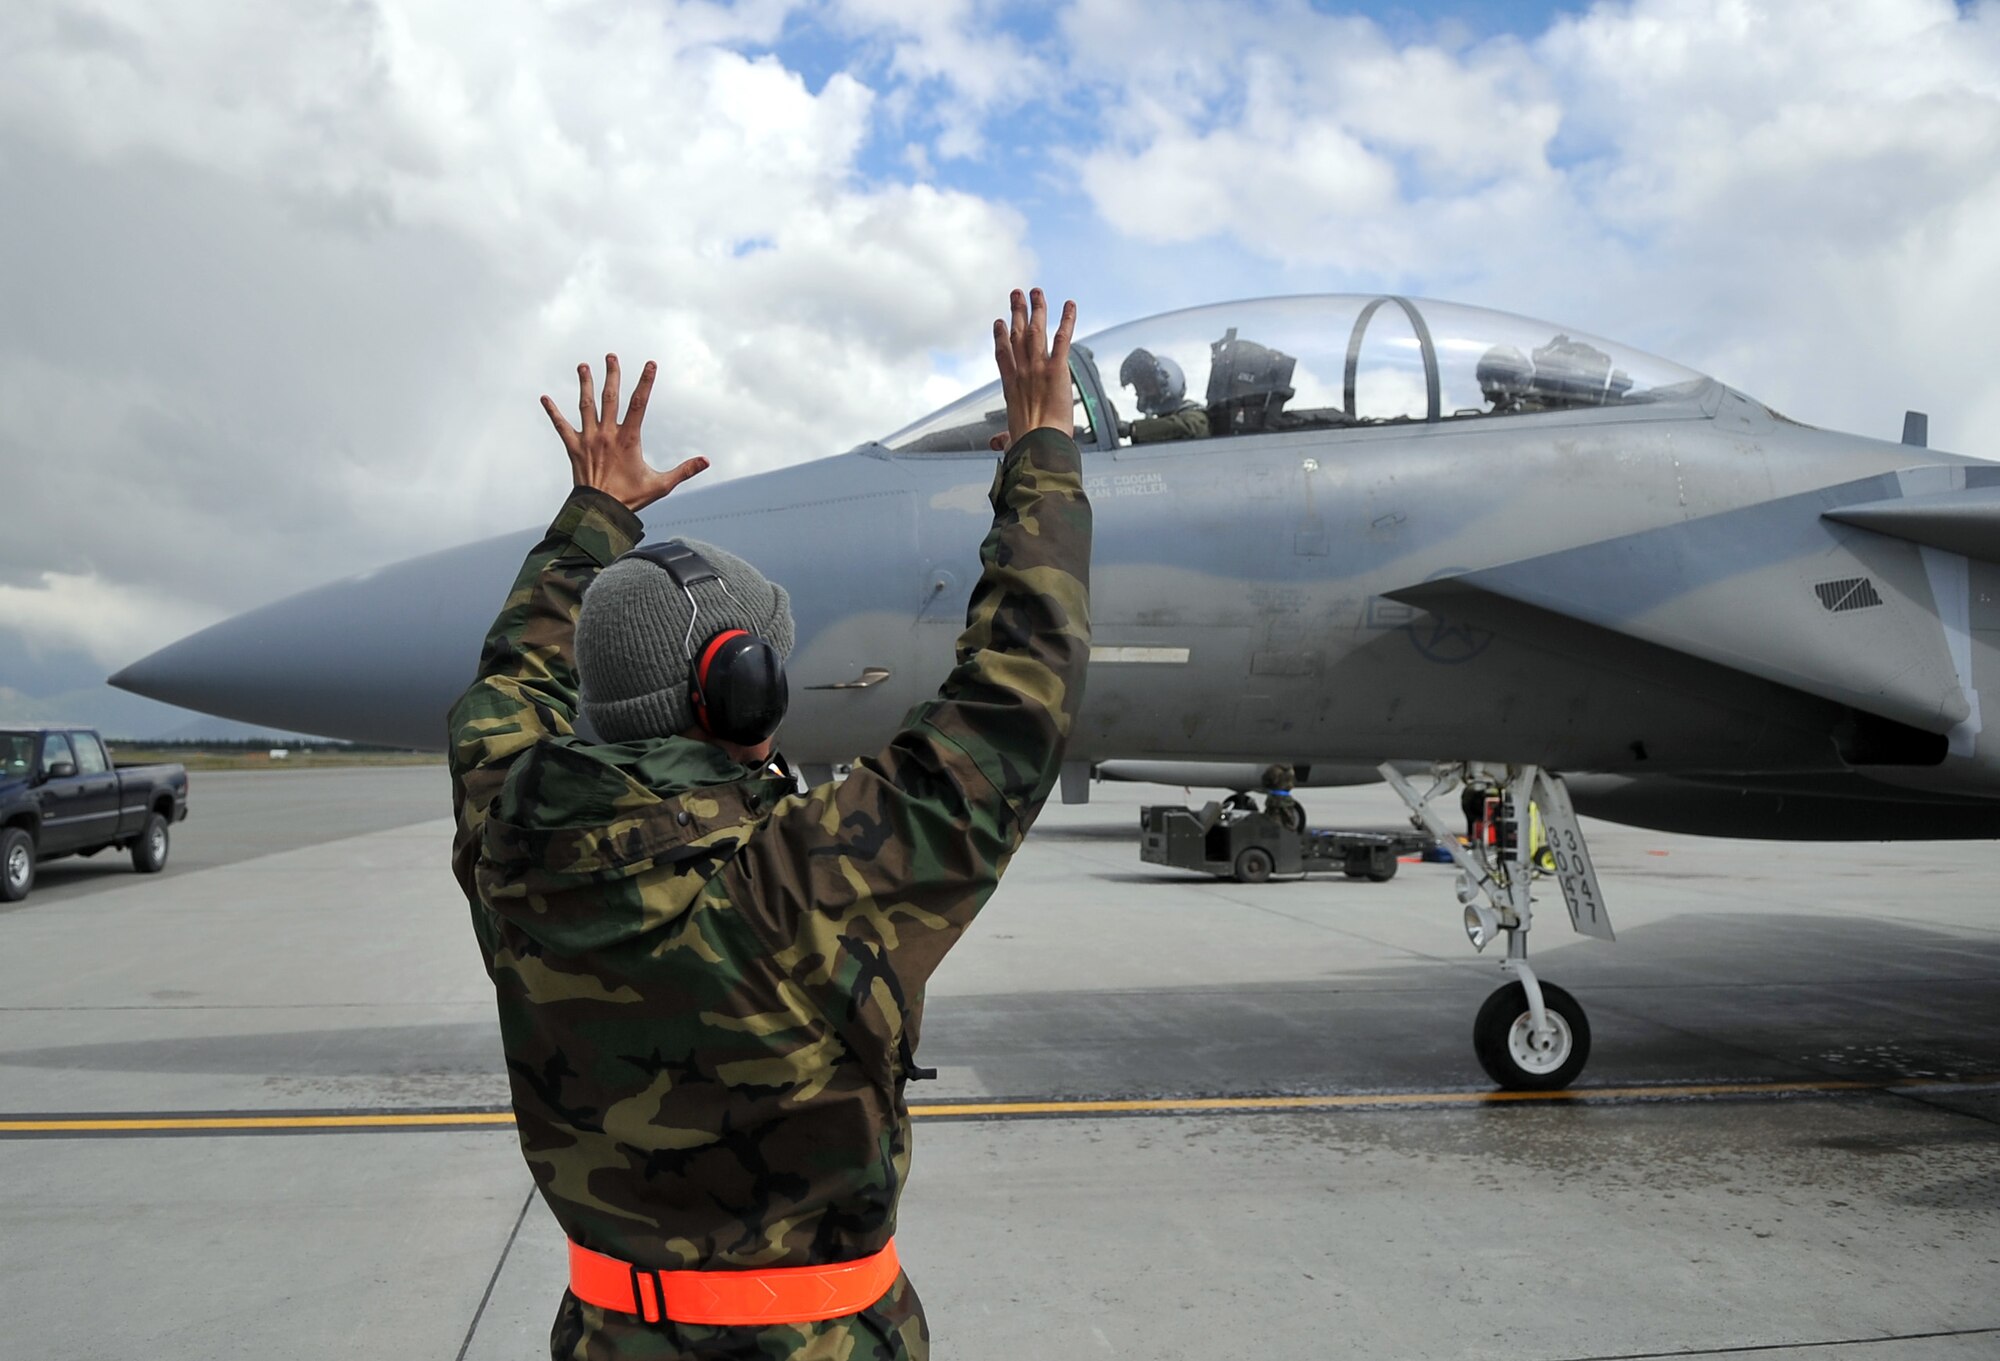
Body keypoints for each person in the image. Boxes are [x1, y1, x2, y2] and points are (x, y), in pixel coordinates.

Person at [447, 288, 1092, 1360]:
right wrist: (1045, 452)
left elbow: (506, 684)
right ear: (741, 690)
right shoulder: (806, 881)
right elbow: (1018, 695)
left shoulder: (510, 841)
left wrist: (591, 517)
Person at [1117, 346, 1208, 442]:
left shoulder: (1195, 415)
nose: (1140, 392)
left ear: (1164, 381)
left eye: (1146, 384)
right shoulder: (1157, 429)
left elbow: (1187, 427)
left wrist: (1134, 429)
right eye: (1137, 386)